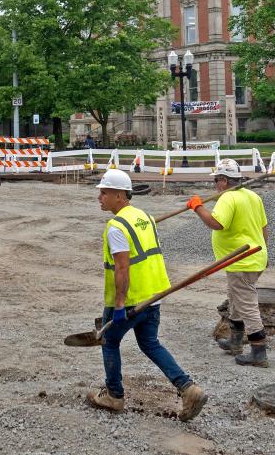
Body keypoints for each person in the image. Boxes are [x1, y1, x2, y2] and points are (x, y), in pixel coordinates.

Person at [87, 169, 207, 421]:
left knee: (109, 342)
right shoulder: (144, 217)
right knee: (149, 343)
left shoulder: (116, 226)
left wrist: (119, 305)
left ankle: (114, 396)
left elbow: (122, 267)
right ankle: (188, 388)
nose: (99, 197)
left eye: (104, 192)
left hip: (131, 300)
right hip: (154, 294)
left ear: (119, 195)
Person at [186, 159, 270, 367]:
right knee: (235, 299)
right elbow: (264, 227)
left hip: (243, 260)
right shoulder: (252, 196)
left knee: (247, 304)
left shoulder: (228, 198)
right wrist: (264, 251)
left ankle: (259, 351)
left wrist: (197, 207)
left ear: (224, 180)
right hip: (251, 257)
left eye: (216, 180)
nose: (215, 184)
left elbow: (216, 223)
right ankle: (235, 341)